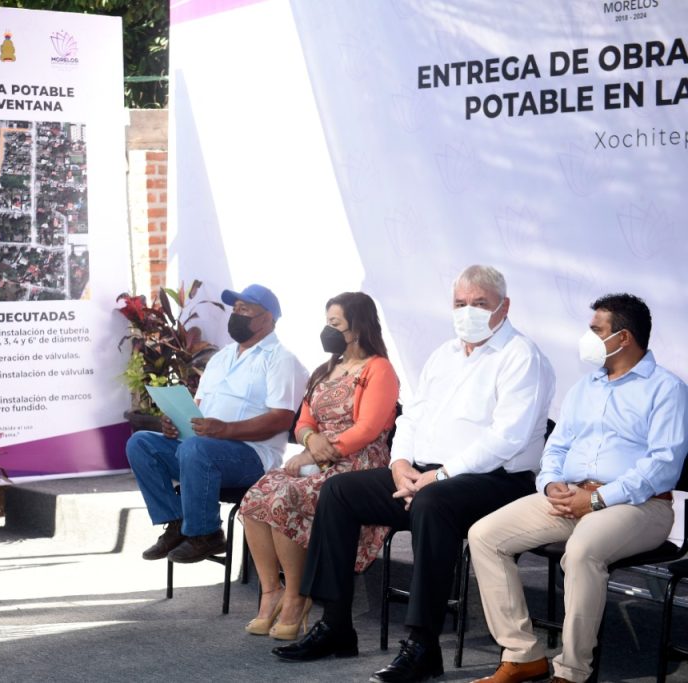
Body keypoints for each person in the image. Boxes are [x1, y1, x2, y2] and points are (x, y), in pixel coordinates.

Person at [272, 265, 556, 683]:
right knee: (339, 491)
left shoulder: (522, 356)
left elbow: (507, 438)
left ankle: (423, 645)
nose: (468, 311)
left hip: (496, 481)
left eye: (480, 303)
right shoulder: (444, 355)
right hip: (424, 475)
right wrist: (400, 465)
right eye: (460, 303)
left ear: (504, 307)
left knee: (432, 502)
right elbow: (411, 419)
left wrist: (441, 475)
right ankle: (335, 625)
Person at [468, 293, 688, 683]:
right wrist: (551, 483)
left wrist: (598, 499)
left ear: (623, 338)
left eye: (596, 330)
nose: (587, 338)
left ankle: (572, 671)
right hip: (573, 496)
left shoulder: (667, 389)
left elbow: (662, 466)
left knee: (583, 551)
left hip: (640, 505)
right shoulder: (586, 386)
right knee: (485, 535)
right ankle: (522, 654)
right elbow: (557, 447)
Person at [239, 292, 399, 641]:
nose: (328, 330)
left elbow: (367, 429)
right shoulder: (325, 370)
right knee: (255, 498)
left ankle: (298, 597)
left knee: (284, 499)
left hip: (358, 462)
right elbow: (303, 421)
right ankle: (272, 591)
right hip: (315, 458)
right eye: (327, 322)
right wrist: (310, 440)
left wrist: (315, 454)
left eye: (335, 323)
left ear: (358, 327)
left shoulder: (379, 369)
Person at [126, 284, 310, 564]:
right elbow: (198, 408)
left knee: (197, 449)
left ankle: (207, 534)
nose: (236, 314)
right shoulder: (221, 358)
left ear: (267, 318)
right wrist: (175, 423)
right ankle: (177, 522)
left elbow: (281, 419)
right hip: (200, 452)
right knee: (140, 443)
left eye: (244, 309)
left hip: (252, 457)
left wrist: (224, 430)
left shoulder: (281, 360)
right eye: (235, 308)